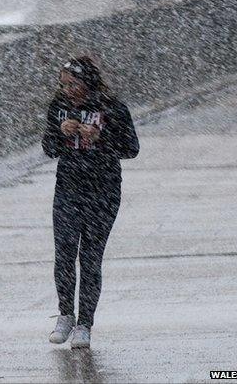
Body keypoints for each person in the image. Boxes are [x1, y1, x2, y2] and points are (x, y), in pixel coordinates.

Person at [42, 56, 139, 349]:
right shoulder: (59, 108)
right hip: (68, 189)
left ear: (88, 83)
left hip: (103, 191)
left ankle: (85, 323)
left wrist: (102, 135)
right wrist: (60, 133)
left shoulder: (112, 108)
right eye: (63, 84)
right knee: (64, 254)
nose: (67, 89)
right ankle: (65, 314)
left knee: (90, 258)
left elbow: (130, 149)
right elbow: (48, 148)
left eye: (72, 84)